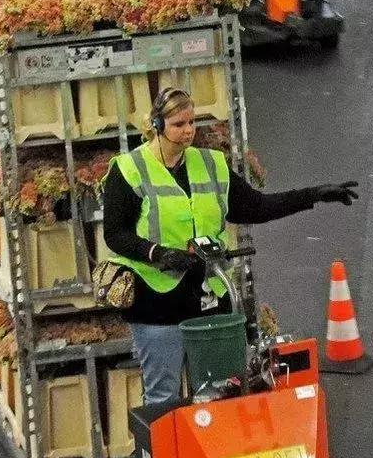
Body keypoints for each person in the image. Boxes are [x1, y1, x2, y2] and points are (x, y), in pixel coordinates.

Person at [103, 87, 357, 405]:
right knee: (162, 396)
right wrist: (160, 253)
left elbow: (259, 207)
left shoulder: (212, 165)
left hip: (210, 298)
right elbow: (115, 234)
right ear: (157, 125)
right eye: (179, 124)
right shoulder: (129, 169)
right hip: (156, 305)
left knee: (218, 392)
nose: (188, 132)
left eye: (191, 122)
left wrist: (314, 195)